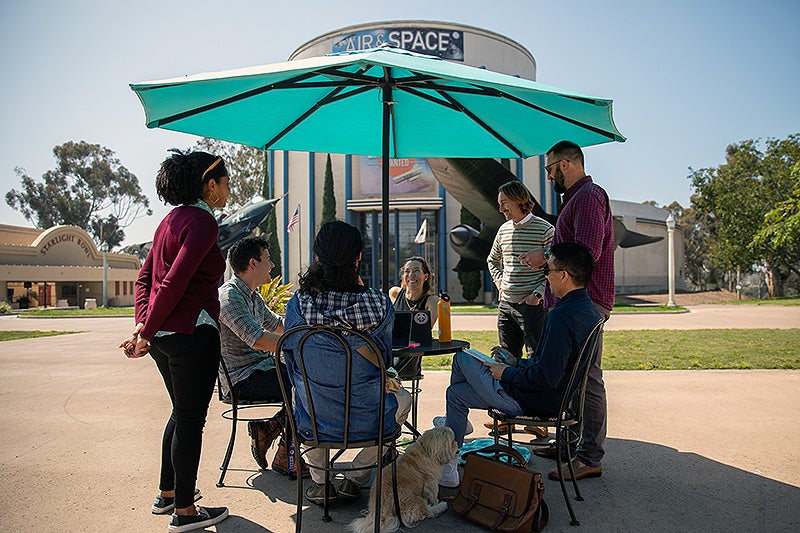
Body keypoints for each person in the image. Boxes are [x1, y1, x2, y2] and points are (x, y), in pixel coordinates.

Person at [119, 149, 230, 532]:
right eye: (225, 182)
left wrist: (144, 328)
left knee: (180, 413)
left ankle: (168, 494)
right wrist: (144, 331)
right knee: (190, 420)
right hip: (192, 334)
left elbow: (145, 280)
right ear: (210, 185)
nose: (228, 189)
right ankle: (185, 511)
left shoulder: (168, 221)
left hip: (165, 339)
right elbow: (174, 281)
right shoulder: (203, 222)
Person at [439, 242, 602, 487]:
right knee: (455, 394)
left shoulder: (561, 316)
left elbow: (546, 377)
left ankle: (453, 440)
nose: (546, 277)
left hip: (532, 400)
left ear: (564, 276)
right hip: (551, 398)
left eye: (548, 271)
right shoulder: (587, 310)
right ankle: (450, 461)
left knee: (462, 357)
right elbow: (548, 364)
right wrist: (516, 361)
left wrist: (507, 373)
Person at [280, 220, 412, 504]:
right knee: (403, 400)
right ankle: (354, 478)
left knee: (302, 391)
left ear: (318, 257)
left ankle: (321, 482)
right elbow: (386, 359)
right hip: (371, 422)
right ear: (359, 257)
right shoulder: (379, 303)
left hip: (315, 422)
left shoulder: (299, 304)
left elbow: (291, 358)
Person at [519, 140, 615, 481]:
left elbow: (584, 254)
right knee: (571, 377)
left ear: (566, 165)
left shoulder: (588, 197)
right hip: (574, 302)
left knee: (587, 379)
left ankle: (589, 456)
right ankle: (570, 443)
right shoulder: (577, 199)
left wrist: (544, 260)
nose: (547, 176)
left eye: (549, 168)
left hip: (585, 302)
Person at [218, 236, 297, 474]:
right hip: (241, 380)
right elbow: (259, 340)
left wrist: (311, 328)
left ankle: (271, 428)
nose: (272, 265)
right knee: (302, 386)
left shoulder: (252, 296)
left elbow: (277, 324)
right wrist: (300, 343)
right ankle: (285, 455)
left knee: (306, 380)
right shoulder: (229, 297)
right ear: (253, 264)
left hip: (261, 371)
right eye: (268, 259)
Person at [484, 180, 553, 435]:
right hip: (506, 307)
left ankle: (536, 418)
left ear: (518, 199)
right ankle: (506, 416)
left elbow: (554, 267)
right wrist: (500, 283)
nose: (501, 208)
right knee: (505, 361)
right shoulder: (502, 230)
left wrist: (538, 294)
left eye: (504, 203)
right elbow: (492, 260)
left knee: (535, 361)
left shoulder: (545, 230)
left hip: (532, 308)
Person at [388, 256, 438, 379]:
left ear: (425, 276)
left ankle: (390, 382)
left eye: (416, 271)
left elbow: (426, 328)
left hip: (411, 354)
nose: (411, 274)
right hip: (391, 349)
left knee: (390, 370)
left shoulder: (431, 301)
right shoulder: (394, 293)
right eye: (407, 271)